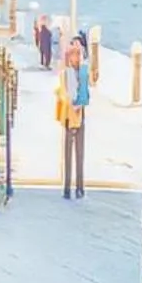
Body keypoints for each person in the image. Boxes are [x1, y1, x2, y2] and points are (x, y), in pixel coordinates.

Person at [59, 39, 90, 199]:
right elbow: (64, 93)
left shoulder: (83, 72)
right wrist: (72, 103)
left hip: (80, 115)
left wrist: (80, 103)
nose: (76, 57)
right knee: (68, 154)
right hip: (68, 116)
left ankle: (80, 187)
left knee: (80, 153)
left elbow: (86, 93)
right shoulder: (66, 73)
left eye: (78, 54)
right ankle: (67, 187)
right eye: (73, 54)